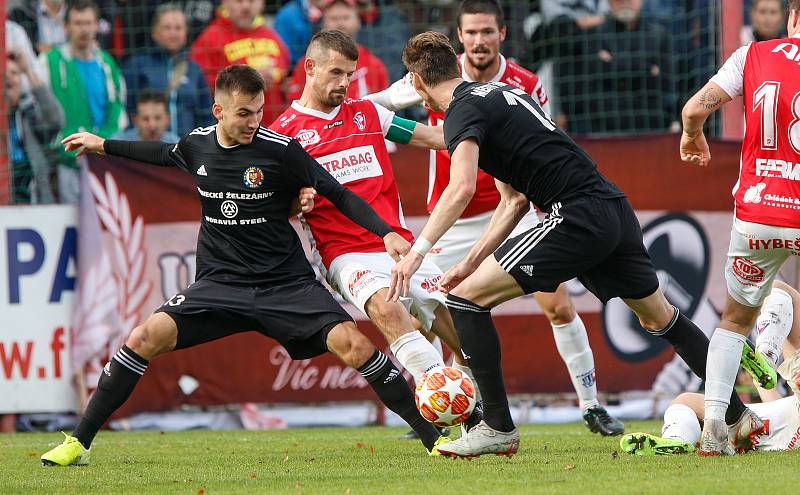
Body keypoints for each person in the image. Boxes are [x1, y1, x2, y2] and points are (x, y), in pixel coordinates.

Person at [39, 64, 447, 467]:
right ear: (219, 111)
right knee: (144, 336)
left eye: (259, 111)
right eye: (243, 113)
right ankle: (78, 442)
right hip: (221, 285)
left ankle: (432, 438)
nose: (254, 122)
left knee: (356, 346)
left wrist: (385, 232)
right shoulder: (197, 145)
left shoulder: (281, 150)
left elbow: (338, 194)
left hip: (285, 284)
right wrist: (101, 144)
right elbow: (160, 153)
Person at [388, 31, 765, 458]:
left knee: (464, 302)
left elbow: (460, 188)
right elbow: (512, 202)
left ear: (416, 83)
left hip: (575, 214)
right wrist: (470, 263)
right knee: (661, 318)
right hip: (611, 207)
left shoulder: (460, 111)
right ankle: (737, 416)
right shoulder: (502, 94)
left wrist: (417, 253)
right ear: (456, 66)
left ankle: (496, 427)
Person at [368, 0, 623, 436]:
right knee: (437, 316)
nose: (479, 41)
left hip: (514, 207)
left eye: (487, 32)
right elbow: (372, 105)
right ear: (460, 37)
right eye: (471, 33)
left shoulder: (524, 83)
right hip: (453, 215)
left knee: (558, 304)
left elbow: (545, 146)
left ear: (502, 34)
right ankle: (457, 405)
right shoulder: (432, 77)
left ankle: (591, 405)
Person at [270, 29, 476, 431]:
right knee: (386, 308)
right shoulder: (285, 135)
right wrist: (296, 204)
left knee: (464, 331)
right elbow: (279, 205)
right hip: (345, 255)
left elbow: (431, 137)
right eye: (336, 73)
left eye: (349, 74)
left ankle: (470, 415)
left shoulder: (368, 113)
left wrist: (482, 124)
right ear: (310, 68)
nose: (344, 83)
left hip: (399, 245)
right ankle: (451, 400)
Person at [679, 0, 800, 456]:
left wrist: (692, 136)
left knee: (733, 321)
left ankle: (714, 431)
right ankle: (779, 347)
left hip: (759, 215)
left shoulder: (752, 55)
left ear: (792, 18)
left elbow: (694, 110)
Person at [621, 280, 800, 456]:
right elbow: (776, 405)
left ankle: (677, 437)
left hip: (786, 420)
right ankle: (767, 358)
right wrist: (760, 380)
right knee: (686, 400)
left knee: (776, 289)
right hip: (786, 425)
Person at [41, 0, 127, 203]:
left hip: (104, 160)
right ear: (66, 26)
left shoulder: (106, 64)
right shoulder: (49, 62)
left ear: (97, 25)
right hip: (67, 161)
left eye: (88, 23)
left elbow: (118, 108)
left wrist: (102, 142)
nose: (84, 29)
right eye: (78, 23)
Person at [190, 0, 291, 124]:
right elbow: (202, 89)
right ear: (225, 3)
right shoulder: (209, 39)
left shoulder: (272, 36)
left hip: (275, 127)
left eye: (252, 1)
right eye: (239, 1)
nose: (246, 6)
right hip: (234, 129)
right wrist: (247, 81)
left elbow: (287, 76)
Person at [122, 4, 213, 137]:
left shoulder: (194, 69)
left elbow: (206, 114)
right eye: (167, 28)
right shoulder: (137, 65)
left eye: (178, 28)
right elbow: (127, 108)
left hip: (186, 150)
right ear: (154, 32)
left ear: (186, 32)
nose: (173, 33)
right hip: (147, 149)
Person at [286, 0, 389, 102]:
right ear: (323, 23)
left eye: (346, 17)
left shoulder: (374, 65)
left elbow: (383, 109)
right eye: (333, 18)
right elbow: (297, 106)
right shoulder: (308, 65)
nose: (340, 23)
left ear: (358, 22)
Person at [5, 49, 64, 204]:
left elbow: (56, 120)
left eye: (15, 73)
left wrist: (28, 71)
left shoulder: (29, 116)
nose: (8, 77)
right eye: (3, 72)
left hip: (34, 203)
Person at [111, 90, 180, 142]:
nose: (152, 125)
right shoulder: (118, 144)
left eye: (158, 118)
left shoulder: (176, 145)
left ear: (168, 119)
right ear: (135, 120)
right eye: (145, 119)